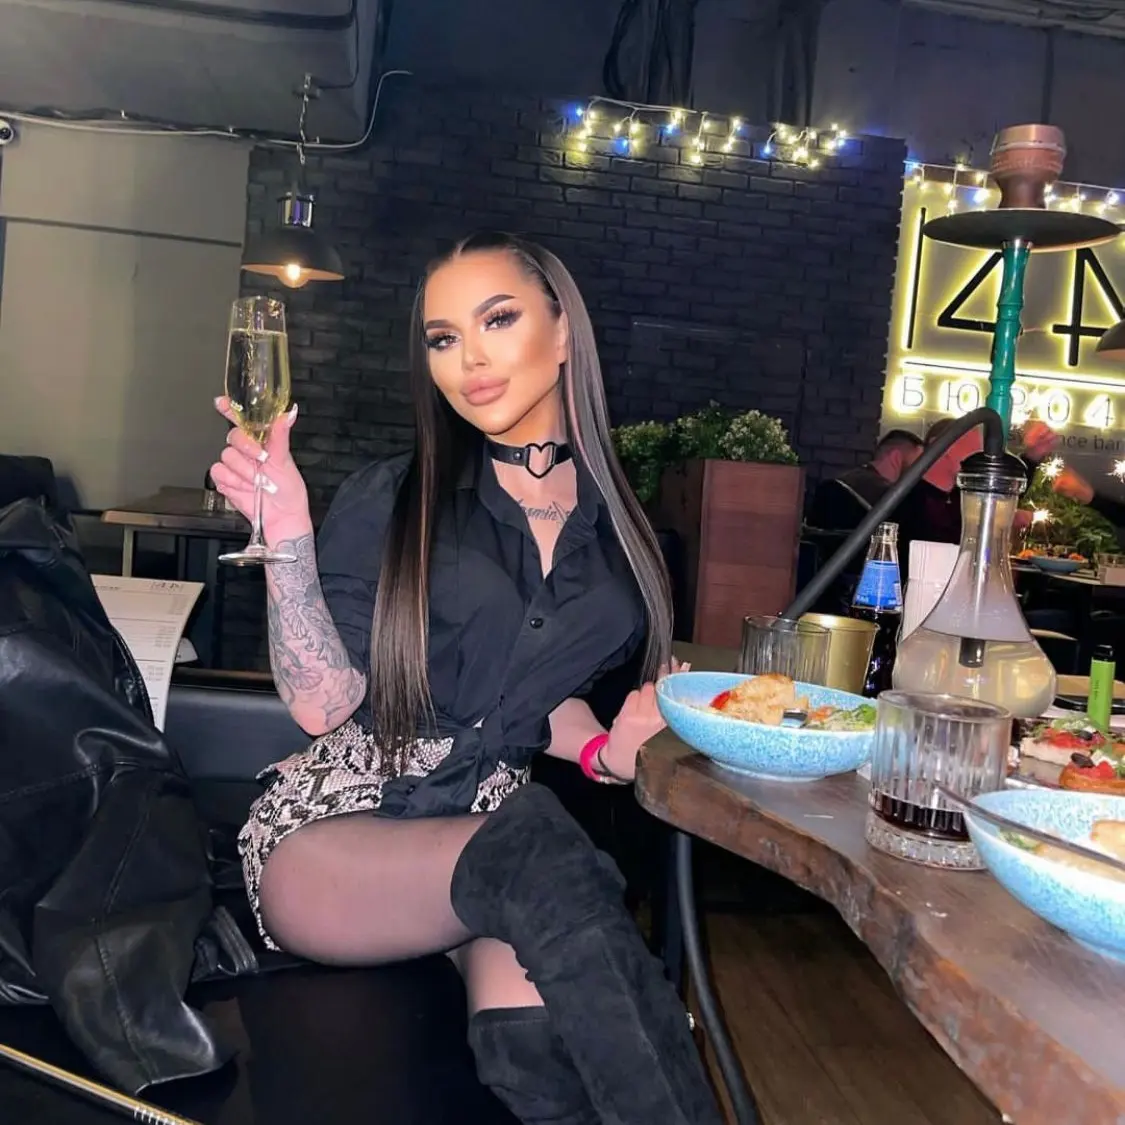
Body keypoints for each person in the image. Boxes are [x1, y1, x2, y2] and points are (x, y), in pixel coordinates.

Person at [209, 231, 723, 1125]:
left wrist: (605, 750)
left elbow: (534, 695)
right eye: (443, 338)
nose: (468, 359)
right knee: (542, 844)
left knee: (550, 1046)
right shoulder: (394, 496)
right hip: (337, 838)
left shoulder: (618, 536)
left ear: (563, 334)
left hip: (487, 849)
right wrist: (287, 537)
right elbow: (322, 703)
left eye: (497, 320)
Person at [806, 429, 924, 532]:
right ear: (895, 456)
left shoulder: (838, 484)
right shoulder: (889, 500)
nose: (921, 471)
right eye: (917, 462)